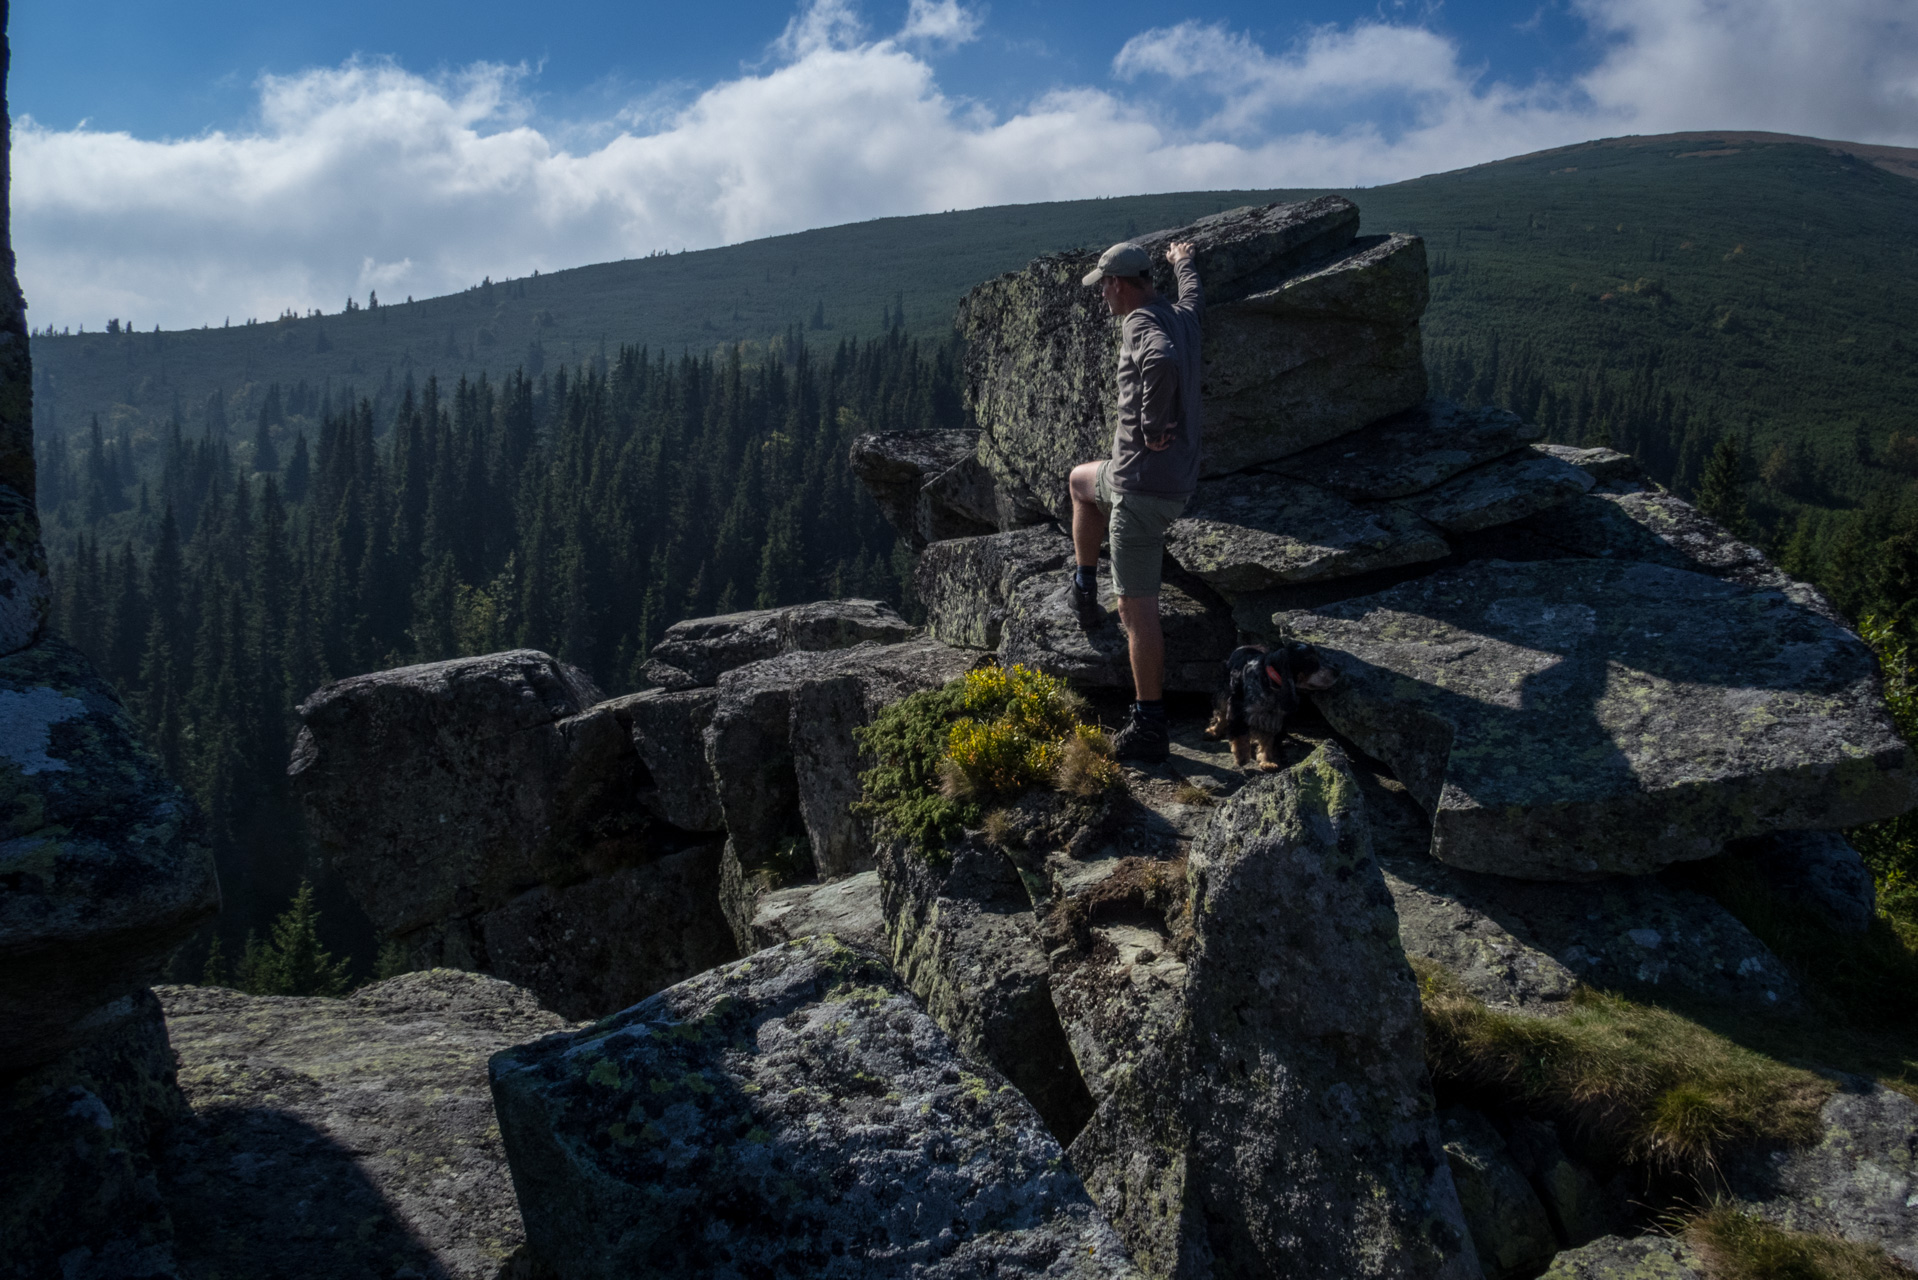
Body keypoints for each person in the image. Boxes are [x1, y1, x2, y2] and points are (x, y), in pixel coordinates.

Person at [1055, 238, 1202, 764]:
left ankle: (1149, 722)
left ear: (1119, 284)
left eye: (1105, 289)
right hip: (1166, 480)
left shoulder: (1140, 324)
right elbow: (1192, 295)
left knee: (1136, 609)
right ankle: (1083, 582)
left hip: (1140, 490)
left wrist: (1153, 423)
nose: (1103, 299)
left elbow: (1159, 362)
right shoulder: (1179, 313)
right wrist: (1183, 261)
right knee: (1080, 482)